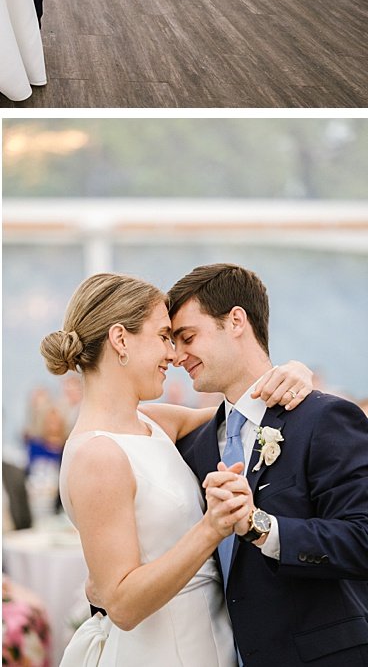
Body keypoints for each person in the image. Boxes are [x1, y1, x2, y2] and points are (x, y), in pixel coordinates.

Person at [43, 272, 314, 666]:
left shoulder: (155, 422)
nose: (173, 354)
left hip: (212, 641)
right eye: (163, 336)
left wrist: (293, 374)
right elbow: (121, 604)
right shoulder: (97, 455)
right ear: (120, 340)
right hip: (165, 652)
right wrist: (211, 528)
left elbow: (249, 414)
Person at [166, 263, 368, 666]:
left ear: (236, 320)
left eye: (187, 337)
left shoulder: (324, 419)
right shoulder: (194, 445)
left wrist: (261, 527)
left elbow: (362, 540)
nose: (177, 356)